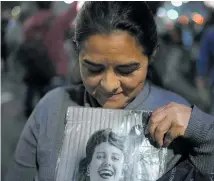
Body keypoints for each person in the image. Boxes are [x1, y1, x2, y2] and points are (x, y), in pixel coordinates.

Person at [5, 2, 214, 181]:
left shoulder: (179, 119)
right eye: (93, 68)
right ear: (77, 54)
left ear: (151, 57)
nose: (108, 84)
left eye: (126, 70)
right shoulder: (52, 108)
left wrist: (202, 130)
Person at [21, 1, 78, 117]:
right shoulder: (58, 20)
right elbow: (72, 12)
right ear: (51, 4)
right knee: (57, 107)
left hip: (36, 67)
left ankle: (32, 115)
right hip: (56, 68)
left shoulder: (29, 23)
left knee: (36, 94)